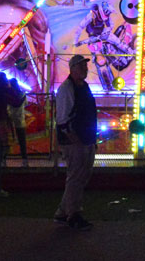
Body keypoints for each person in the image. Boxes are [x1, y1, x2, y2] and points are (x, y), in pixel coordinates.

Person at [54, 54, 97, 231]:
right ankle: (73, 213)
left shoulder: (82, 87)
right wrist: (75, 139)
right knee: (75, 177)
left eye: (85, 67)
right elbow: (63, 119)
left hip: (85, 138)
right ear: (72, 69)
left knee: (81, 176)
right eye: (81, 67)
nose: (85, 70)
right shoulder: (67, 88)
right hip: (75, 140)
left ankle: (64, 211)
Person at [7, 77, 28, 166]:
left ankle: (3, 160)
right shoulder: (23, 94)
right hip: (20, 119)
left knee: (6, 140)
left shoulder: (8, 95)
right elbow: (26, 104)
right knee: (22, 141)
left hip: (10, 119)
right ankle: (24, 160)